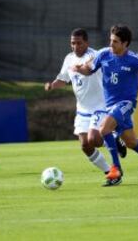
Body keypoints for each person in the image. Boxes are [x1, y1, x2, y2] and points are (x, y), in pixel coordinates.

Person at [73, 24, 138, 186]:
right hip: (110, 106)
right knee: (131, 142)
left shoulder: (133, 59)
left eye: (115, 42)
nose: (111, 44)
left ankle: (115, 168)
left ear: (125, 44)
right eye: (111, 40)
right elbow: (90, 69)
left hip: (126, 104)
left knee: (103, 129)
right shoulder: (104, 54)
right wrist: (80, 69)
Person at [44, 28, 126, 187]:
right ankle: (111, 173)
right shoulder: (68, 59)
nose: (75, 46)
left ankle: (115, 140)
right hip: (82, 109)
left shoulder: (95, 56)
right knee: (85, 146)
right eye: (72, 43)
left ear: (86, 43)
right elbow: (63, 78)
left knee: (94, 139)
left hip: (100, 105)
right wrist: (52, 85)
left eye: (79, 43)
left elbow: (110, 68)